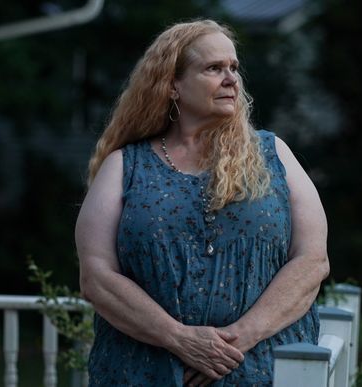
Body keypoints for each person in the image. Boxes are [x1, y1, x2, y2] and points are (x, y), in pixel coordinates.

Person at [75, 19, 329, 386]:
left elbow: (312, 260)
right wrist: (178, 338)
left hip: (261, 372)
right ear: (173, 85)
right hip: (144, 374)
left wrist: (236, 340)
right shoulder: (125, 166)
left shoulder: (273, 155)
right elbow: (96, 276)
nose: (231, 79)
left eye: (234, 68)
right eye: (213, 68)